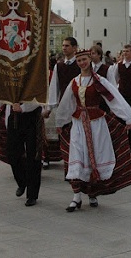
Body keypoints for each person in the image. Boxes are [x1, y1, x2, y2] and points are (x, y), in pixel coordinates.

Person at [56, 49, 131, 212]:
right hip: (78, 124)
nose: (82, 63)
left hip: (96, 124)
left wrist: (127, 117)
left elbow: (114, 98)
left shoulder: (99, 81)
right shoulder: (75, 82)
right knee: (77, 156)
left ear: (89, 60)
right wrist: (61, 121)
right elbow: (66, 103)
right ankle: (76, 197)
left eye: (84, 60)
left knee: (94, 158)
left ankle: (92, 193)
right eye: (79, 61)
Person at [0, 100, 43, 207]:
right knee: (12, 154)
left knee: (33, 156)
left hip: (32, 118)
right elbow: (3, 92)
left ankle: (32, 195)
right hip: (14, 117)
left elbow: (39, 97)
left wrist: (24, 108)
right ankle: (22, 181)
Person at [42, 37, 80, 169]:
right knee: (64, 136)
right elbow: (54, 87)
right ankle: (68, 166)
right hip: (63, 105)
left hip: (78, 104)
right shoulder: (59, 66)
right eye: (63, 45)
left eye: (67, 46)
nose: (64, 48)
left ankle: (78, 164)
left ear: (75, 48)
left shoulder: (80, 64)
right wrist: (50, 107)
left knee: (78, 136)